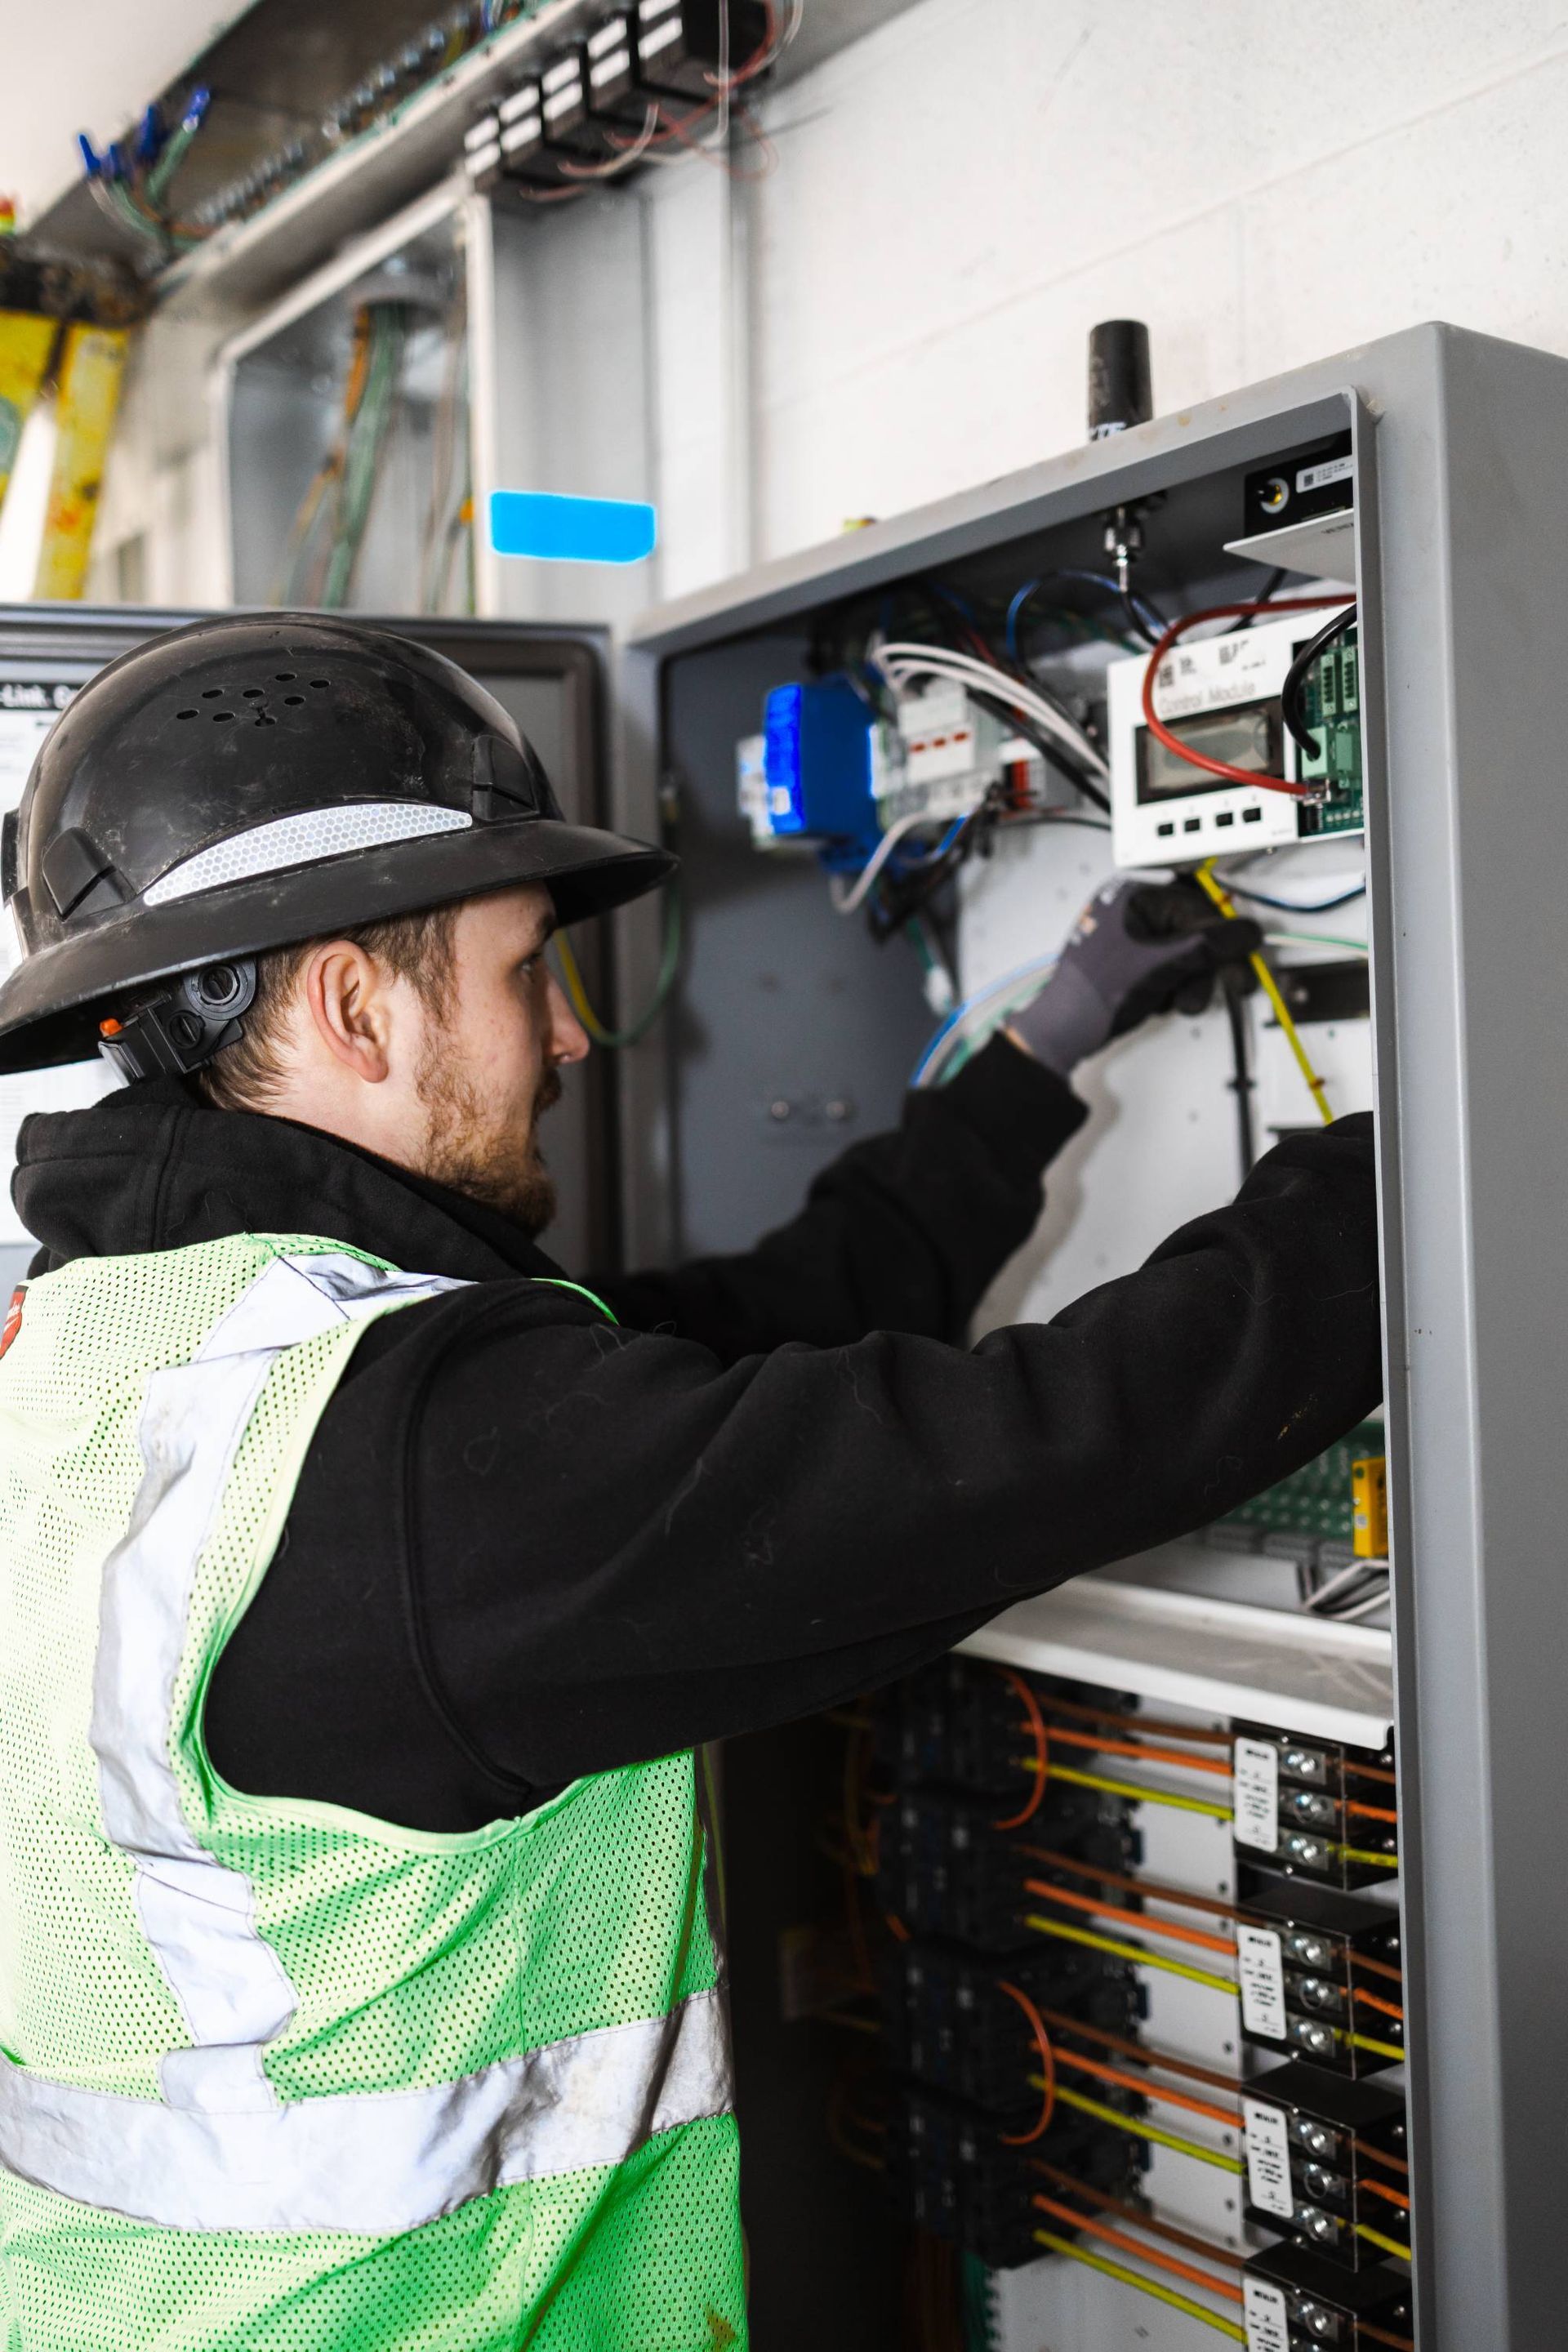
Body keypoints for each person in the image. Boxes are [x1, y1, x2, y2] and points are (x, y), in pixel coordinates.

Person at [0, 615, 1380, 2352]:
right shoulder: (407, 1465)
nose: (572, 1039)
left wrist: (1048, 1052)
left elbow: (745, 1341)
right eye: (522, 975)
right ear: (355, 1003)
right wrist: (1411, 1176)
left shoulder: (110, 1362)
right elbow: (1025, 1456)